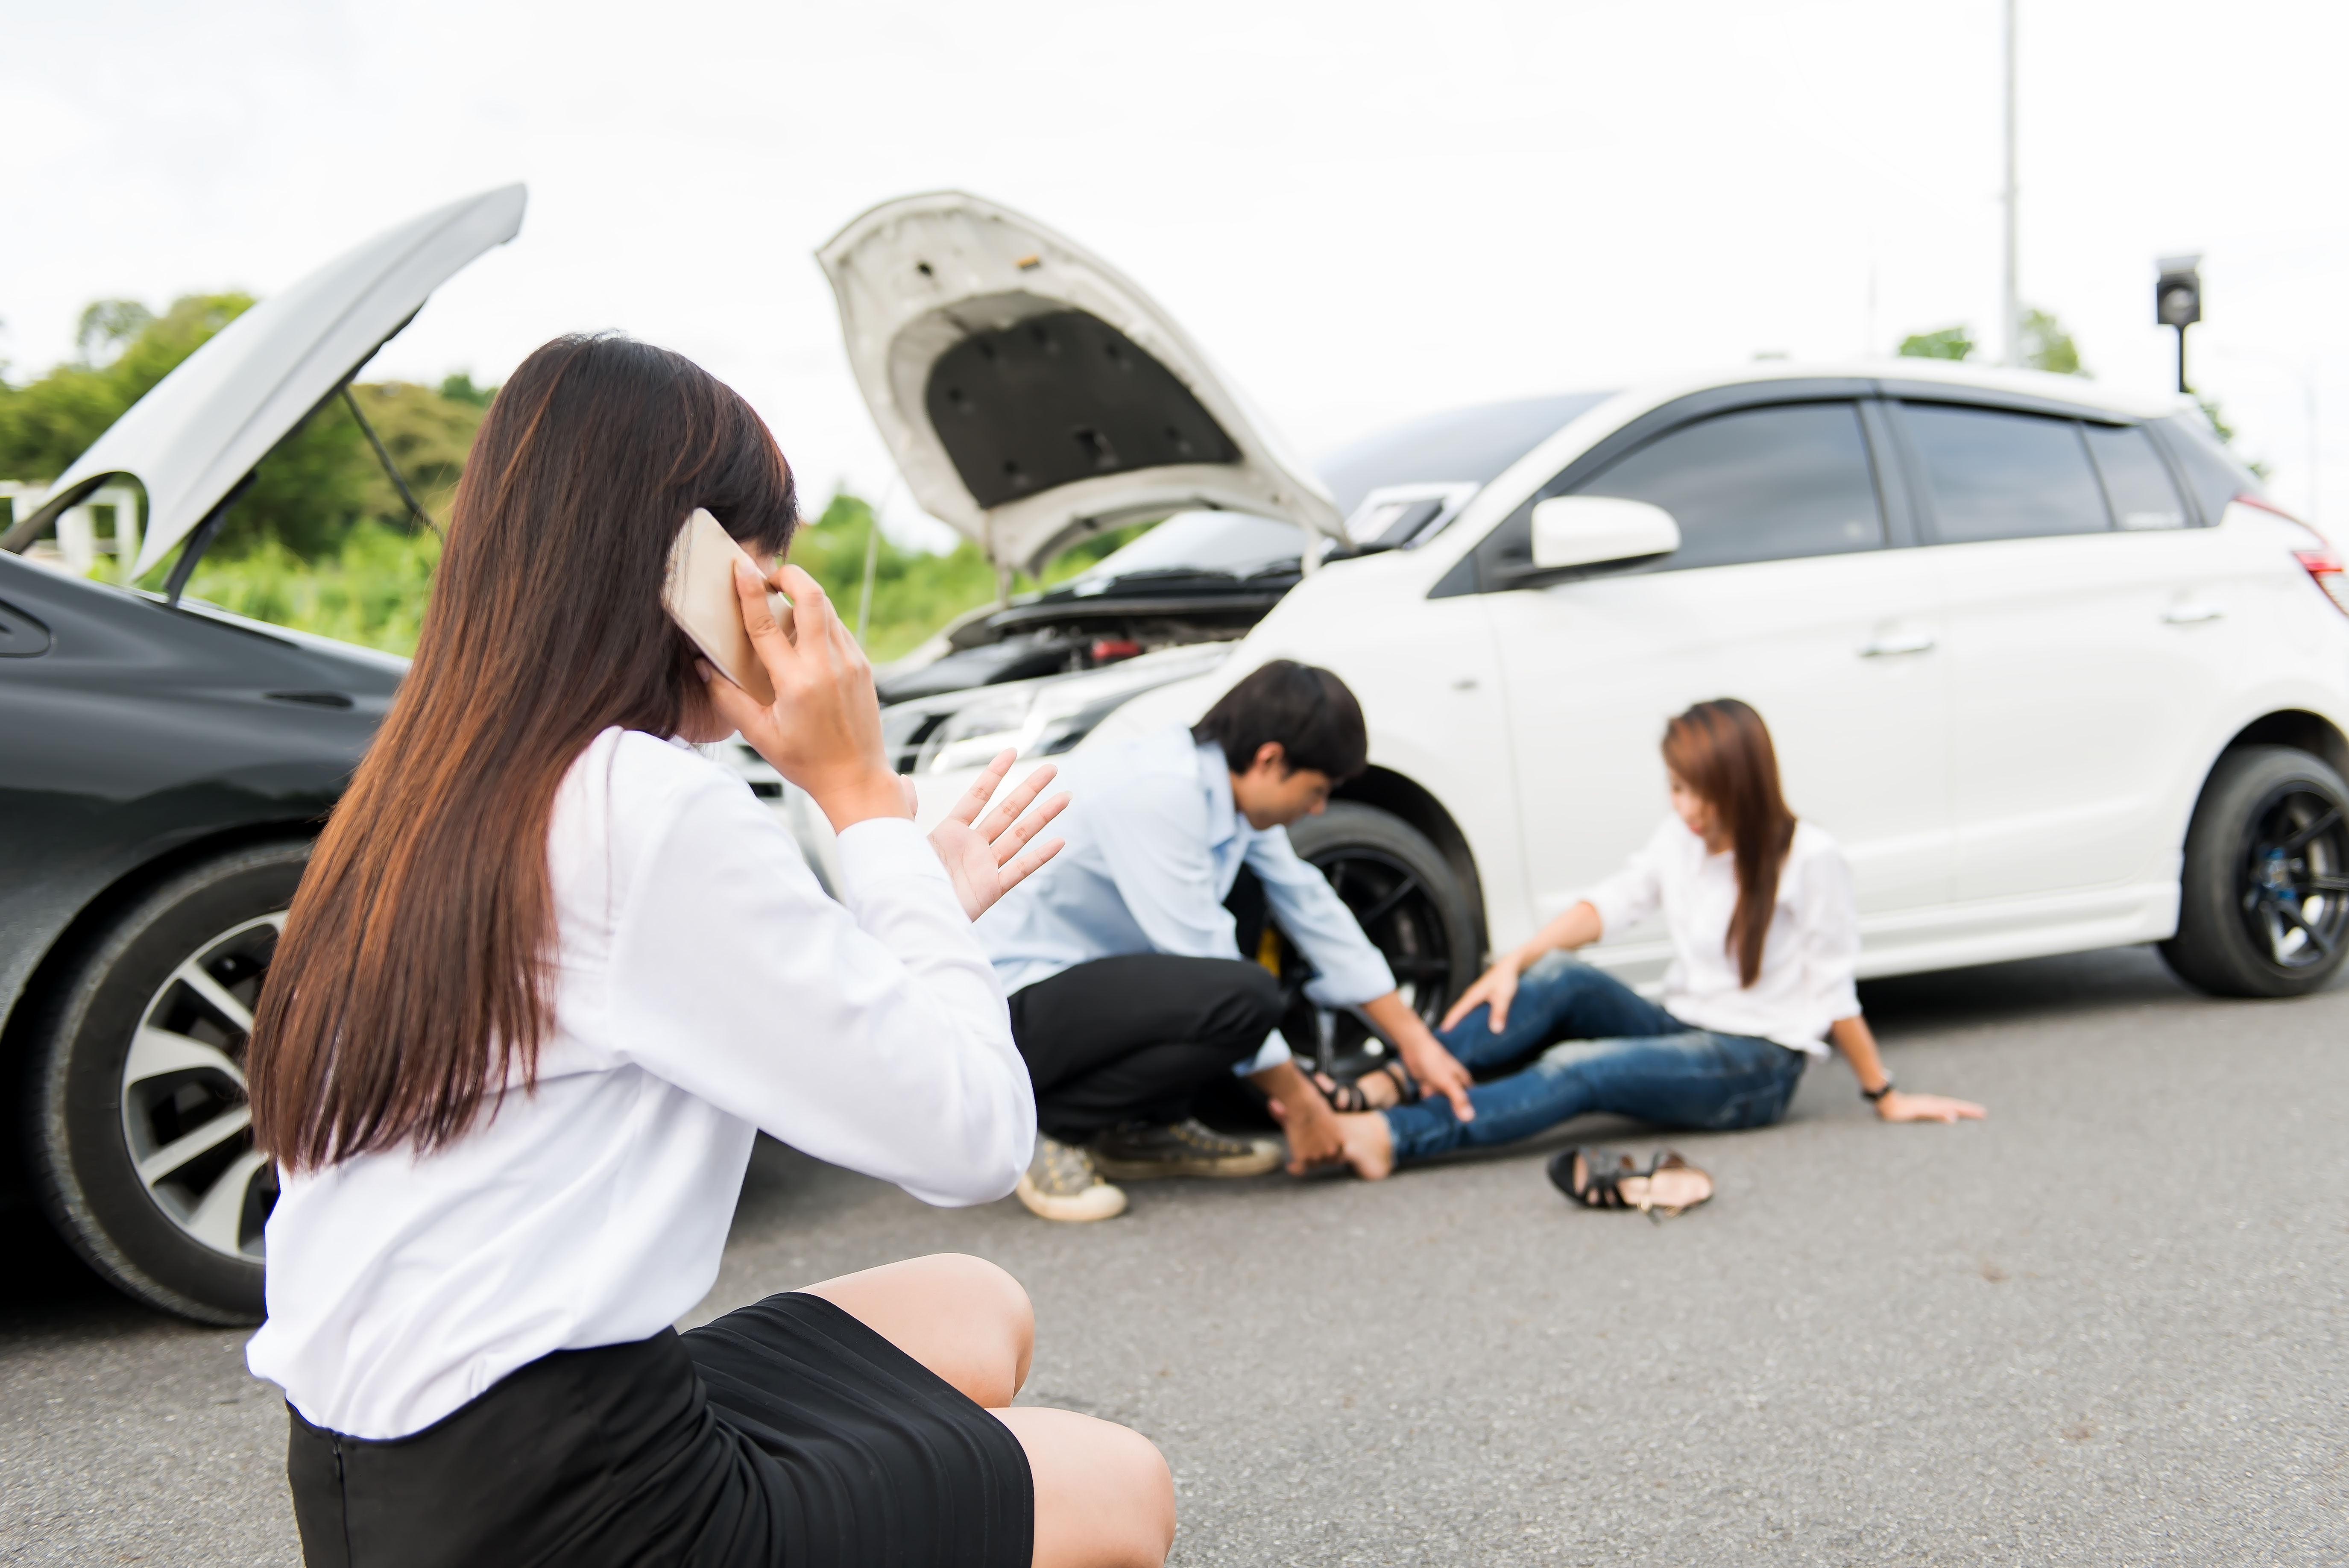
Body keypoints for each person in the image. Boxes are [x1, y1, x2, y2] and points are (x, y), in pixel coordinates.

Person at [243, 335, 1174, 1568]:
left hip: (395, 1468)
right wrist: (861, 799)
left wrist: (917, 896)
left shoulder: (443, 776)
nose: (780, 596)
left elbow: (703, 1001)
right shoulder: (641, 799)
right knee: (1121, 1488)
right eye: (763, 556)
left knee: (977, 1304)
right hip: (560, 1501)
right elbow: (973, 1142)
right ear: (680, 567)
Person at [1329, 698, 1984, 1190]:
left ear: (1745, 786)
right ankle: (1397, 1079)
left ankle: (1393, 1135)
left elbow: (1834, 989)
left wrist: (1885, 1094)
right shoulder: (1683, 839)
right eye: (1677, 787)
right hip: (1685, 1026)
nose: (1688, 808)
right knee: (1561, 977)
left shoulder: (1810, 858)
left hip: (1755, 1064)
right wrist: (1515, 966)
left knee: (1578, 1067)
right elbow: (1610, 904)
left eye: (1704, 792)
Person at [976, 660, 1477, 1221]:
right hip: (1007, 1011)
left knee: (1251, 901)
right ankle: (1049, 1125)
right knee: (1247, 996)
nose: (1318, 808)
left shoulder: (1226, 795)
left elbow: (1311, 904)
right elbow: (1205, 961)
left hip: (1079, 988)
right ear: (1270, 758)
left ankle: (1145, 1127)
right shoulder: (1160, 794)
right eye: (1318, 789)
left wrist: (1415, 1041)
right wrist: (1306, 1108)